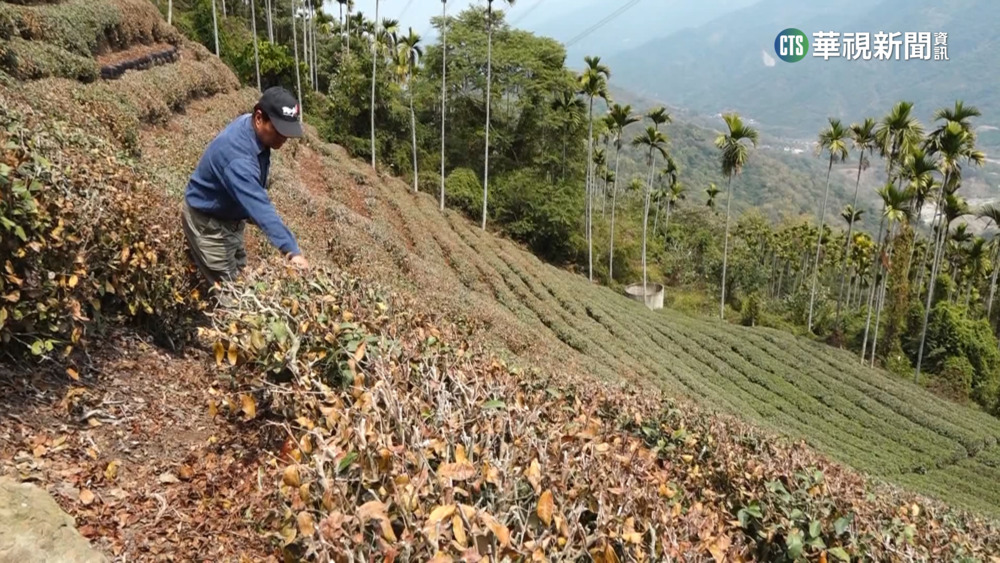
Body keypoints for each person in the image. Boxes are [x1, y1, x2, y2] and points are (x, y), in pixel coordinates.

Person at [182, 86, 310, 286]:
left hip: (230, 220)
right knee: (230, 297)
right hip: (209, 226)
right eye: (279, 130)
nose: (284, 138)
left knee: (241, 281)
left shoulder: (252, 128)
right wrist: (291, 250)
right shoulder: (237, 157)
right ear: (259, 118)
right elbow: (258, 205)